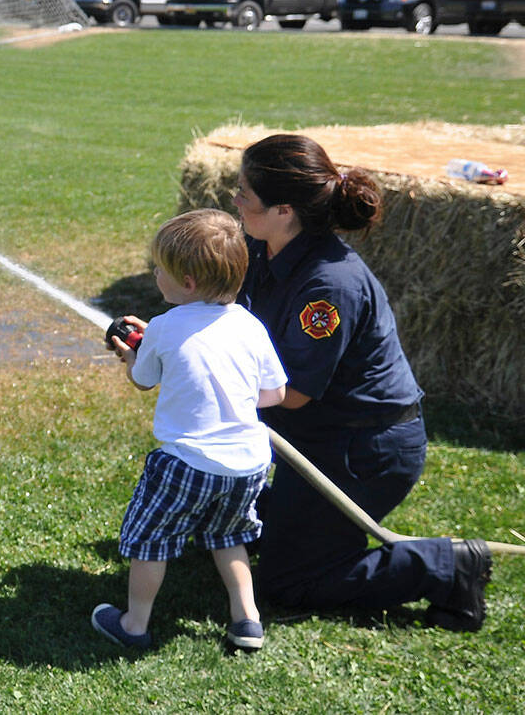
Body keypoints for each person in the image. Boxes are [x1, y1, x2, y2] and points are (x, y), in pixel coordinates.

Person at [233, 133, 491, 631]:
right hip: (322, 437)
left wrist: (210, 382)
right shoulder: (262, 248)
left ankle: (447, 567)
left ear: (284, 210)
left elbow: (296, 393)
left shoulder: (329, 286)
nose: (235, 200)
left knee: (286, 583)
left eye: (244, 192)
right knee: (230, 529)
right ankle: (299, 528)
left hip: (363, 452)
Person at [93, 208, 288, 651]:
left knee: (152, 541)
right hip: (249, 465)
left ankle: (134, 625)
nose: (154, 274)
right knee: (229, 537)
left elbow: (144, 378)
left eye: (159, 268)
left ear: (188, 282)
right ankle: (247, 621)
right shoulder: (250, 324)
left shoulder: (163, 327)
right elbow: (274, 393)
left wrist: (132, 356)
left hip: (187, 464)